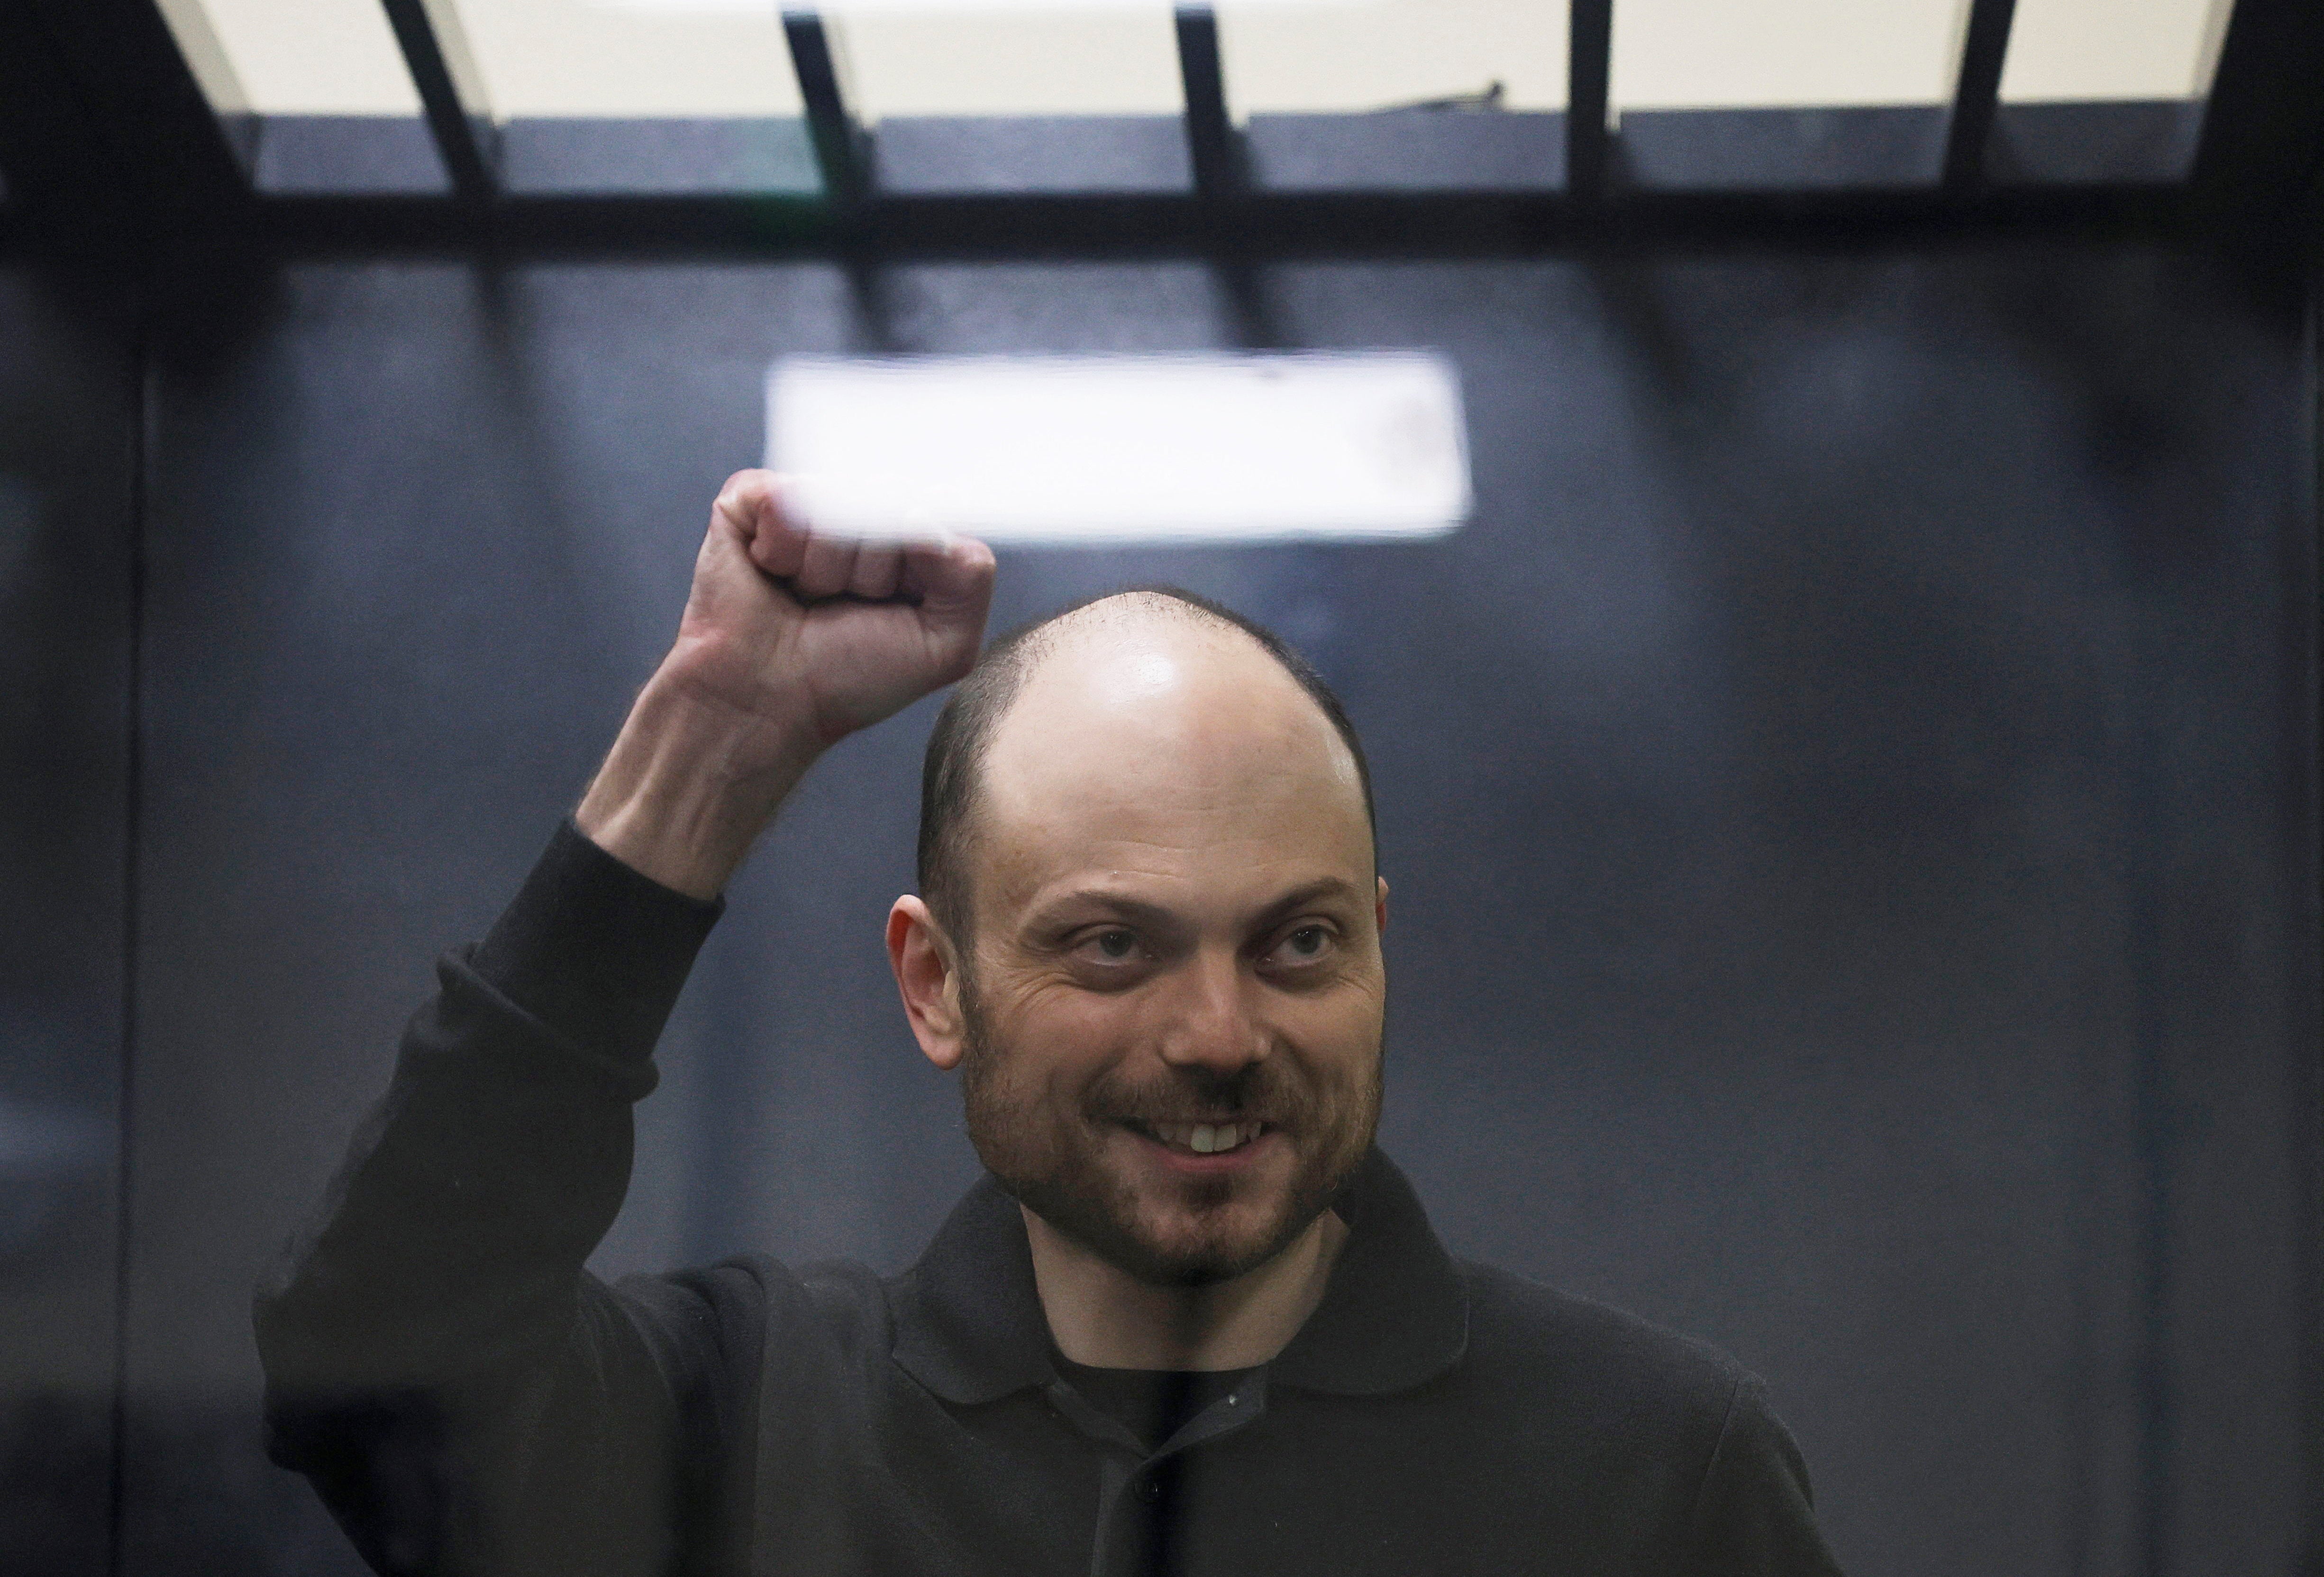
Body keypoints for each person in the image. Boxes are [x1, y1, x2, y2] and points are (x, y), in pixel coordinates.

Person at [255, 470, 1845, 1577]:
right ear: (935, 986)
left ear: (1381, 947)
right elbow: (376, 1364)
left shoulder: (1651, 1465)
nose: (1218, 1033)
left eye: (1295, 943)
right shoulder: (751, 1429)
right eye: (1111, 947)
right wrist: (716, 742)